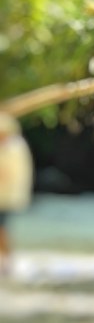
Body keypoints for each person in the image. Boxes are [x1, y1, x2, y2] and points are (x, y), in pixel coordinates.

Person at [0, 113, 33, 277]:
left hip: (6, 198)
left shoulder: (13, 148)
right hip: (6, 197)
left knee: (2, 230)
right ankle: (7, 264)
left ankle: (8, 265)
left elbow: (6, 174)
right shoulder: (12, 146)